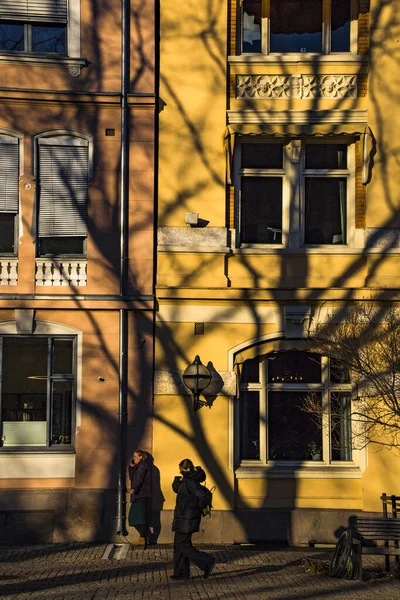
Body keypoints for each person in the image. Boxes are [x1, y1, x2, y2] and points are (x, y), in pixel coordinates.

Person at [171, 458, 216, 580]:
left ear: (187, 469)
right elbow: (176, 489)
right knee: (179, 545)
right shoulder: (186, 481)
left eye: (181, 470)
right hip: (183, 517)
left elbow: (202, 499)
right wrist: (177, 480)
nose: (180, 472)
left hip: (187, 518)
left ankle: (207, 561)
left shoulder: (191, 482)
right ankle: (181, 573)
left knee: (183, 545)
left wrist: (192, 505)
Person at [128, 449, 151, 547]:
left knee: (138, 518)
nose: (134, 458)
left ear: (141, 457)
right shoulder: (138, 466)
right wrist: (131, 466)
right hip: (138, 494)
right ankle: (143, 537)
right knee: (134, 518)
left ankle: (143, 538)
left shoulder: (143, 466)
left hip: (141, 494)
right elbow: (131, 477)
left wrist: (134, 488)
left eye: (135, 456)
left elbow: (139, 478)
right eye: (133, 456)